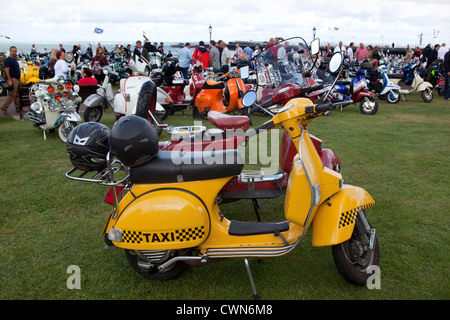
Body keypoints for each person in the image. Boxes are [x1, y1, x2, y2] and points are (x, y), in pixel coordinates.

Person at [1, 46, 21, 115]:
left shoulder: (14, 60)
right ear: (10, 51)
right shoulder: (8, 60)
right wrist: (9, 80)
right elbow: (6, 70)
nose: (14, 52)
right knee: (12, 94)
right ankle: (4, 107)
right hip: (13, 79)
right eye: (13, 51)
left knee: (17, 94)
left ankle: (18, 108)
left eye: (15, 51)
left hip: (17, 78)